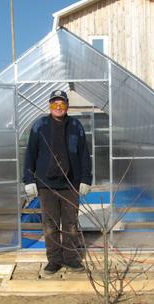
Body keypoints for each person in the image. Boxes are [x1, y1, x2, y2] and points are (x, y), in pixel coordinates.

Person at [23, 90, 92, 274]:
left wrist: (86, 179)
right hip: (46, 185)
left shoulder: (76, 126)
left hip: (71, 184)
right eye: (55, 104)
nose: (58, 107)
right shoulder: (40, 126)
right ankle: (54, 260)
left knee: (70, 224)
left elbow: (84, 154)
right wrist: (28, 179)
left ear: (67, 105)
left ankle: (71, 259)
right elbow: (31, 153)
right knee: (50, 224)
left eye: (62, 104)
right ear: (50, 106)